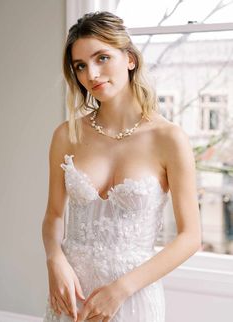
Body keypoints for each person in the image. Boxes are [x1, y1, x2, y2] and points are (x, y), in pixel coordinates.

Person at [42, 11, 202, 322]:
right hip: (71, 296)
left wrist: (121, 289)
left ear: (129, 58)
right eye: (81, 66)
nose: (92, 74)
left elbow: (190, 237)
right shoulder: (67, 135)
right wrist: (54, 260)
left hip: (131, 297)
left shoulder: (169, 138)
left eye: (102, 58)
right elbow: (54, 215)